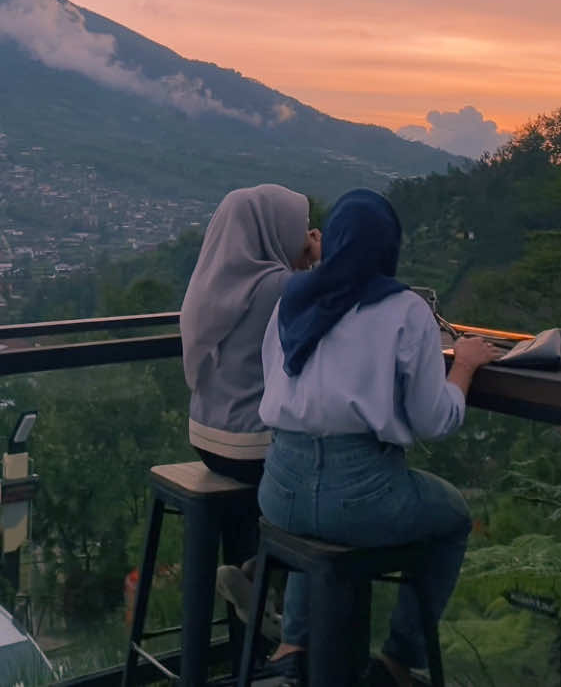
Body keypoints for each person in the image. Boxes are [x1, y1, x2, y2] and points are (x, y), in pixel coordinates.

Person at [257, 188, 499, 687]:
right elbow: (435, 421)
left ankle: (289, 653)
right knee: (452, 518)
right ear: (389, 245)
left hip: (280, 489)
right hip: (361, 494)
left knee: (315, 527)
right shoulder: (404, 310)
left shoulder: (292, 300)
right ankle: (396, 662)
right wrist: (466, 369)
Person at [180, 184, 320, 661]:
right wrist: (317, 259)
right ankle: (267, 584)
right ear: (273, 230)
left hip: (204, 437)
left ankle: (257, 575)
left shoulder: (213, 279)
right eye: (300, 227)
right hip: (252, 449)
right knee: (325, 488)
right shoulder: (280, 286)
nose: (304, 236)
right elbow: (337, 295)